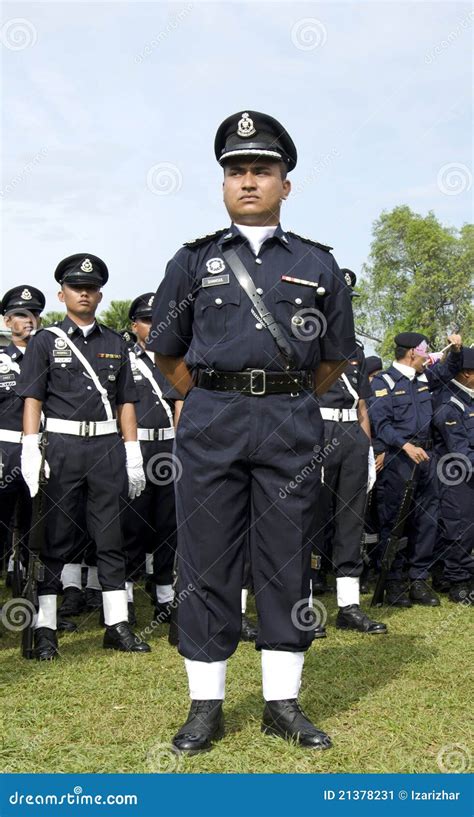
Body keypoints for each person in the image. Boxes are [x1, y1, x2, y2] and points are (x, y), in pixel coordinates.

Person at [147, 110, 355, 753]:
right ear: (223, 184)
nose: (247, 181)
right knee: (205, 558)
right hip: (211, 421)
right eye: (236, 171)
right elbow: (166, 350)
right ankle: (205, 704)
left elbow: (336, 358)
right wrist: (213, 400)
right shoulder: (193, 261)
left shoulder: (319, 264)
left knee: (287, 559)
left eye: (262, 170)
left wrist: (282, 400)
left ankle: (280, 702)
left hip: (290, 422)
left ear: (285, 184)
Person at [17, 254, 150, 658]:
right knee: (56, 537)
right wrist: (29, 446)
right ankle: (45, 628)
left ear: (100, 294)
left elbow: (126, 401)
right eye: (77, 288)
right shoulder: (45, 341)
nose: (85, 293)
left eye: (91, 288)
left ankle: (117, 624)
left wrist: (132, 452)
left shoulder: (115, 342)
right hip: (62, 446)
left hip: (107, 448)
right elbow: (33, 397)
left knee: (111, 537)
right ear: (63, 294)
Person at [369, 331, 463, 607]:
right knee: (395, 521)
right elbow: (381, 424)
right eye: (425, 351)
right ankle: (394, 581)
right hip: (400, 459)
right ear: (412, 353)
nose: (428, 356)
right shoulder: (384, 382)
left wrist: (456, 349)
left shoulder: (424, 378)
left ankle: (419, 580)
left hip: (427, 458)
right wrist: (405, 446)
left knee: (427, 520)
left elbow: (449, 369)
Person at [311, 327, 386, 634]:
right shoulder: (307, 343)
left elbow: (362, 406)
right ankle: (305, 602)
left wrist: (367, 449)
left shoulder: (354, 349)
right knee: (311, 521)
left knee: (352, 521)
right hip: (318, 430)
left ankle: (349, 605)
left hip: (352, 434)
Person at [122, 292, 179, 624]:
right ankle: (125, 596)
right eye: (147, 320)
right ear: (134, 325)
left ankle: (164, 595)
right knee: (132, 524)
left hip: (169, 447)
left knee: (167, 525)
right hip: (138, 446)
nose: (154, 326)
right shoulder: (124, 358)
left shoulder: (173, 359)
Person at [0, 286, 45, 589]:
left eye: (34, 314)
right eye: (20, 314)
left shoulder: (52, 358)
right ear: (7, 321)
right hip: (4, 450)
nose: (28, 320)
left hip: (42, 449)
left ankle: (32, 586)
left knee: (36, 523)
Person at [432, 346, 474, 602]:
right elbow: (458, 449)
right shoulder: (449, 403)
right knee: (460, 528)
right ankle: (457, 580)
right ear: (467, 373)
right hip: (456, 476)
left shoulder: (469, 398)